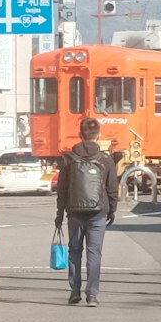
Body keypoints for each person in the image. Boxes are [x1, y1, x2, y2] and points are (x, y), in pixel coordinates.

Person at [55, 116, 118, 307]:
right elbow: (112, 188)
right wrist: (112, 210)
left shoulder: (68, 158)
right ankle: (92, 295)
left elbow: (62, 189)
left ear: (80, 135)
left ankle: (74, 290)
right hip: (98, 213)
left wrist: (59, 213)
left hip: (74, 213)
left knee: (74, 251)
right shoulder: (105, 159)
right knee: (94, 253)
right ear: (98, 135)